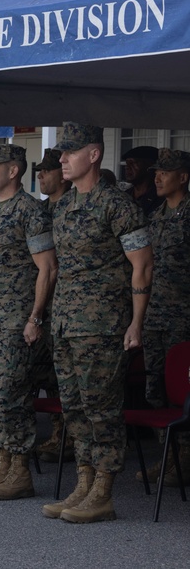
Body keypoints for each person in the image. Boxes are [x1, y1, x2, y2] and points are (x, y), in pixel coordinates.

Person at [41, 122, 152, 524]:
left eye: (70, 152)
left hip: (103, 325)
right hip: (67, 322)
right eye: (61, 153)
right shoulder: (64, 205)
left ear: (93, 155)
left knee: (101, 408)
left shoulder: (117, 205)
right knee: (73, 407)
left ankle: (103, 490)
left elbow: (142, 266)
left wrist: (136, 323)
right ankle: (83, 484)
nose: (63, 159)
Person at [0, 144, 57, 501]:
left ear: (14, 170)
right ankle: (3, 464)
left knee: (13, 398)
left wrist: (35, 318)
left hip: (13, 324)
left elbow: (47, 269)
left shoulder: (30, 211)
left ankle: (20, 472)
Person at [137, 148, 190, 485]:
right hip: (155, 315)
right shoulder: (156, 216)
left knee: (182, 390)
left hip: (184, 317)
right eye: (156, 171)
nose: (157, 177)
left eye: (165, 172)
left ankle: (184, 459)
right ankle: (170, 455)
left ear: (183, 177)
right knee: (154, 387)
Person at [122, 146, 163, 216]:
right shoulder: (124, 195)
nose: (127, 167)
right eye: (126, 163)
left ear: (150, 165)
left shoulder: (161, 196)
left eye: (132, 163)